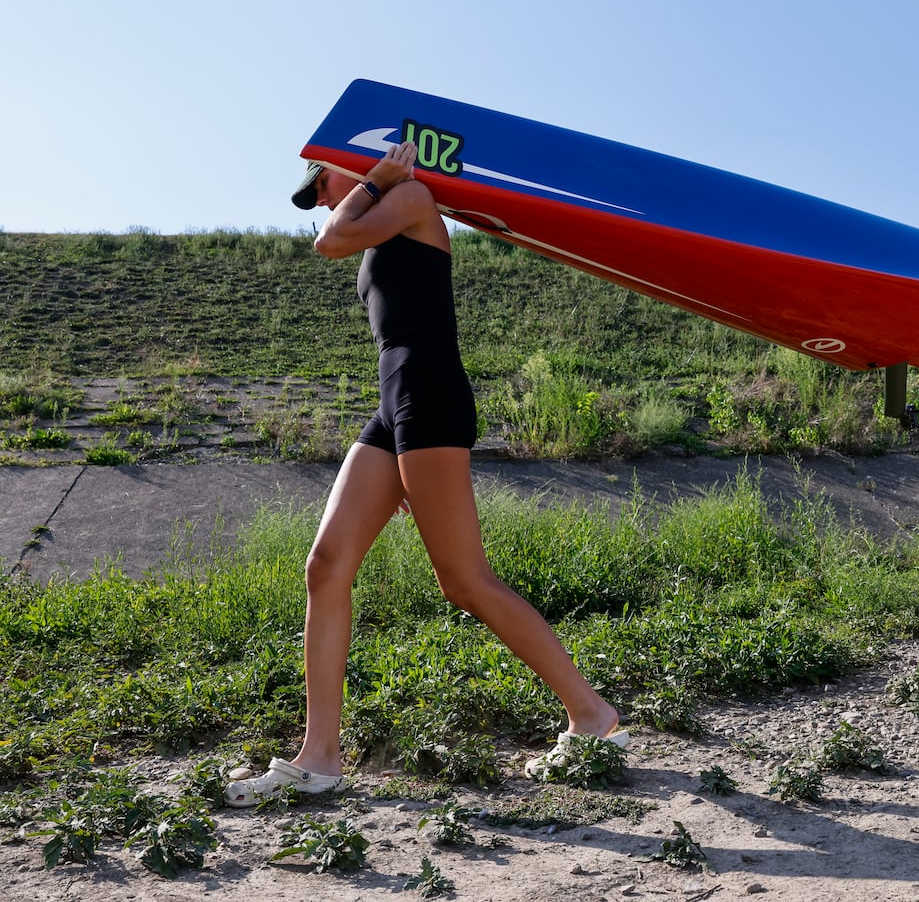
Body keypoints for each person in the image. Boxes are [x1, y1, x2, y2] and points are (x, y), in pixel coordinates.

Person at [225, 144, 625, 806]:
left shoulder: (409, 200)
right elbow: (343, 243)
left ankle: (592, 715)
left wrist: (377, 180)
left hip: (428, 394)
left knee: (465, 581)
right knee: (325, 566)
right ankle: (319, 757)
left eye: (321, 181)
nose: (321, 197)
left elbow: (329, 242)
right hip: (395, 404)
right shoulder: (377, 216)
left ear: (351, 161)